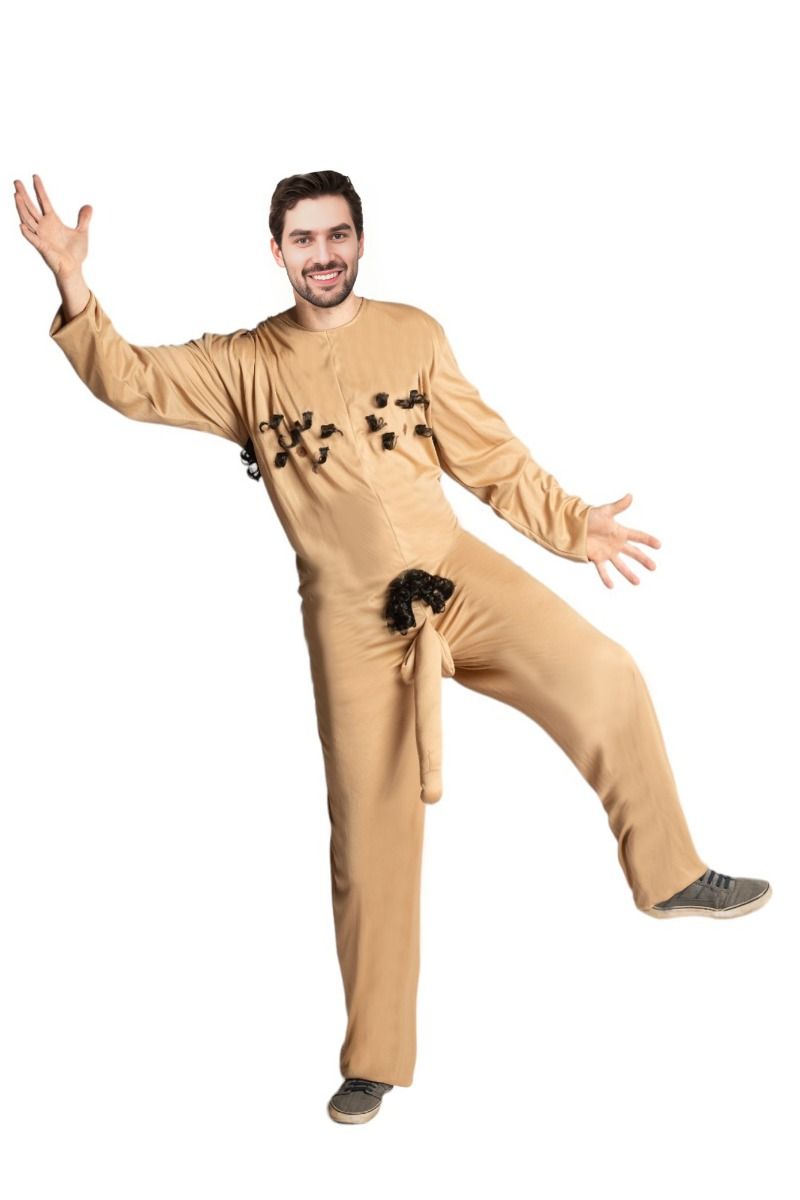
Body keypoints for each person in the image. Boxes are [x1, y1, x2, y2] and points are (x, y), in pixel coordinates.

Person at [15, 170, 772, 1127]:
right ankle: (373, 1059)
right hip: (352, 616)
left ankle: (669, 875)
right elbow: (129, 381)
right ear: (277, 251)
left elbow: (488, 454)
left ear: (360, 242)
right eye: (303, 239)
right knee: (371, 834)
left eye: (337, 235)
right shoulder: (243, 364)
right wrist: (73, 283)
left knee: (604, 672)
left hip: (455, 572)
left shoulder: (414, 333)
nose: (322, 254)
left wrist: (571, 524)